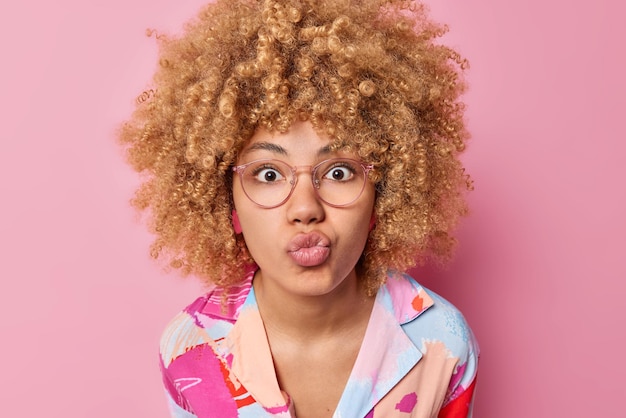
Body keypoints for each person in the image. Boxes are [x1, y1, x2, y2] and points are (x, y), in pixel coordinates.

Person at [119, 0, 479, 416]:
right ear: (225, 200)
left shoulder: (443, 342)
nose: (306, 208)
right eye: (269, 174)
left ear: (385, 192)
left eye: (340, 172)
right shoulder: (190, 348)